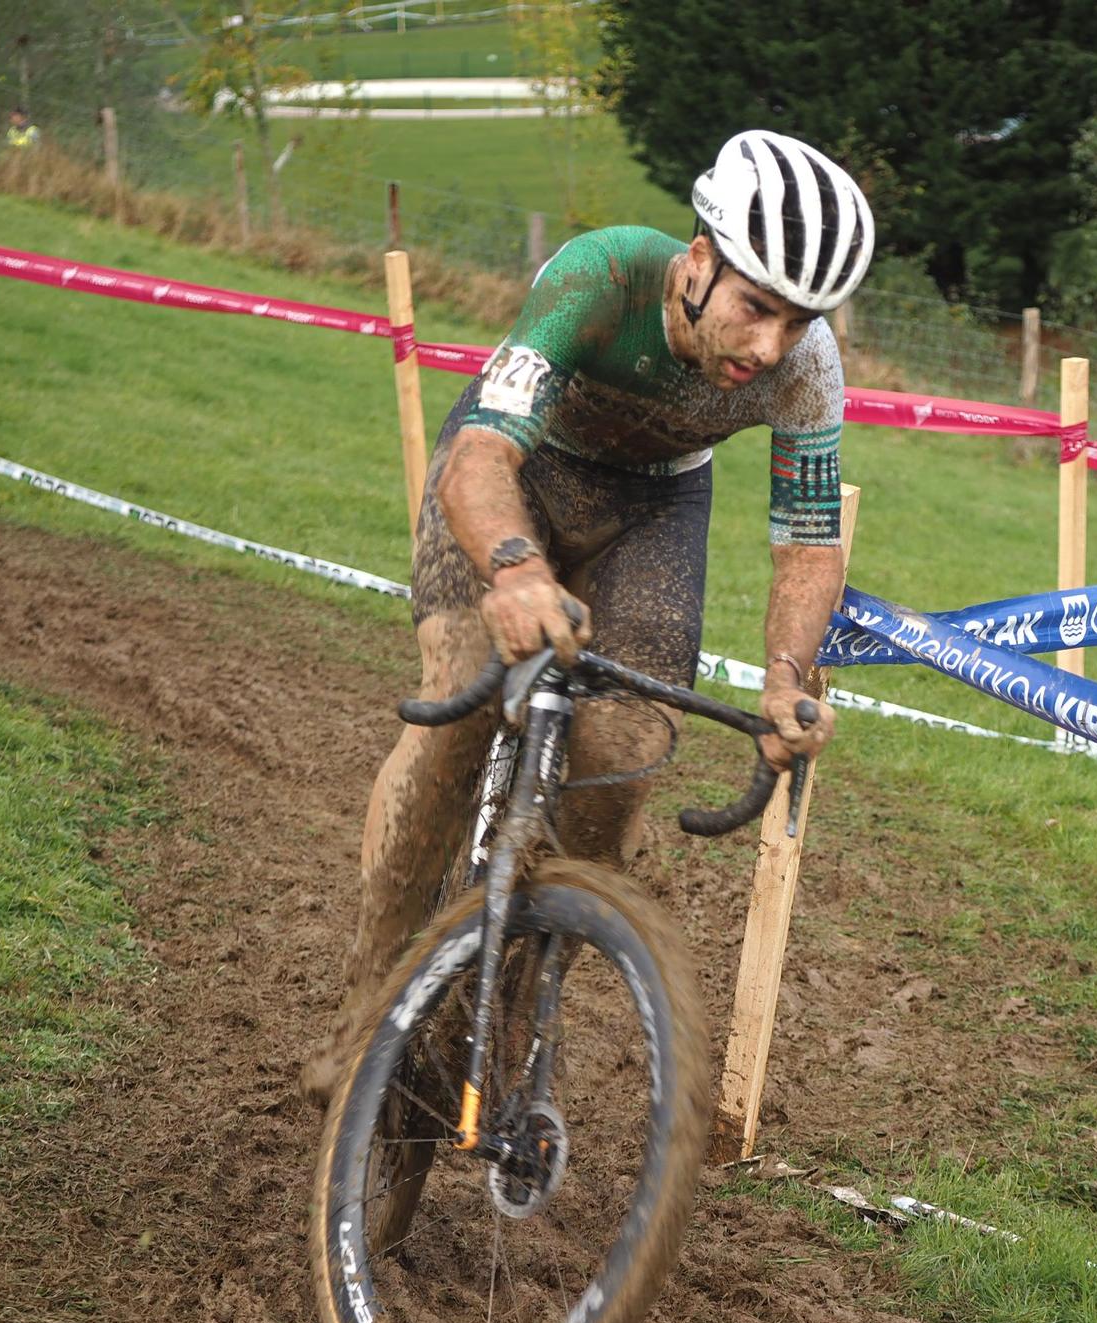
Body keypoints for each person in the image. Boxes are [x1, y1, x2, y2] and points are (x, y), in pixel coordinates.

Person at [302, 129, 873, 1102]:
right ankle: (365, 1011)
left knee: (621, 749)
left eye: (799, 320)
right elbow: (483, 455)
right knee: (462, 700)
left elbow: (808, 545)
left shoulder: (805, 367)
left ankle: (519, 1001)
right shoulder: (599, 275)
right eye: (754, 308)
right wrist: (515, 569)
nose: (771, 345)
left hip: (650, 514)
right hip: (521, 474)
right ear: (698, 263)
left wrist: (785, 678)